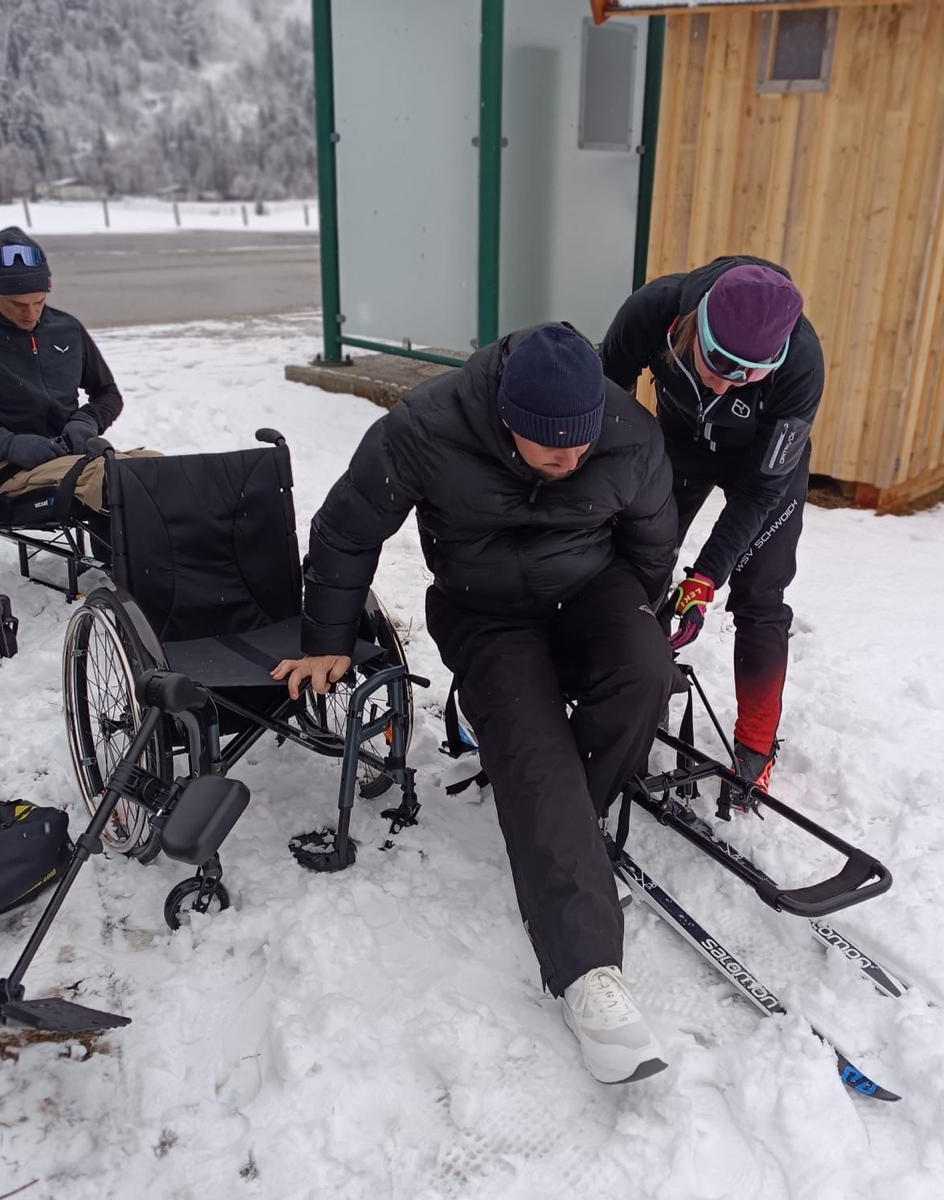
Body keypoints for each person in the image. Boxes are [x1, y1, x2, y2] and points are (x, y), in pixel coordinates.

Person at [274, 323, 678, 1085]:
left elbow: (653, 540)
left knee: (643, 670)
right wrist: (328, 635)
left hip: (589, 585)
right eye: (552, 448)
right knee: (532, 750)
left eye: (582, 445)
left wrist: (636, 619)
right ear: (505, 420)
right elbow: (347, 528)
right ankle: (589, 969)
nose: (572, 461)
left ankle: (563, 828)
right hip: (485, 608)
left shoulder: (627, 432)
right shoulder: (425, 429)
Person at [600, 257, 821, 801]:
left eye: (748, 373)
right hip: (678, 449)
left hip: (764, 470)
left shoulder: (803, 366)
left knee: (760, 597)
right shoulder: (652, 312)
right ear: (695, 324)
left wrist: (706, 577)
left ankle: (755, 745)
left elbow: (757, 494)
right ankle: (628, 691)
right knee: (637, 564)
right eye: (717, 360)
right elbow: (603, 403)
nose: (725, 383)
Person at [0, 227, 154, 513]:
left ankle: (159, 556)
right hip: (6, 471)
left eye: (39, 302)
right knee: (116, 479)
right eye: (17, 304)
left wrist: (86, 422)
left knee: (156, 467)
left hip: (74, 456)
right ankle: (135, 556)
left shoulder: (67, 328)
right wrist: (3, 444)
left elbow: (108, 393)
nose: (31, 314)